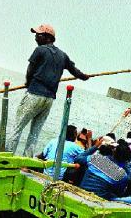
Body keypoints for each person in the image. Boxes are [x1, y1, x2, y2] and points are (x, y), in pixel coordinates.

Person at [6, 24, 89, 157]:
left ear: (47, 37)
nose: (35, 37)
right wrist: (84, 77)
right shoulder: (63, 55)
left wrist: (28, 83)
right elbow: (75, 72)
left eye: (38, 34)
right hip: (49, 99)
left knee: (17, 127)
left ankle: (6, 158)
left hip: (34, 94)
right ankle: (26, 162)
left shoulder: (40, 50)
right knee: (35, 132)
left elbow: (30, 70)